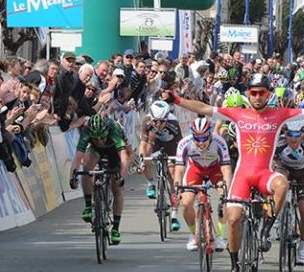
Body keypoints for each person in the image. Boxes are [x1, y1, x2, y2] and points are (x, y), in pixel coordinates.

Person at [162, 73, 304, 272]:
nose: (257, 96)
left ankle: (266, 228)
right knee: (234, 219)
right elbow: (205, 108)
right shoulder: (238, 114)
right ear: (248, 94)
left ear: (268, 94)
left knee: (282, 183)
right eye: (253, 92)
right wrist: (177, 100)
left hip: (265, 173)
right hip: (242, 176)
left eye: (261, 92)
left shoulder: (280, 114)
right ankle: (235, 267)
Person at [70, 114, 131, 245]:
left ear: (106, 131)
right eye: (95, 138)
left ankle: (115, 228)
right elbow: (77, 157)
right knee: (87, 166)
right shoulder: (87, 131)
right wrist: (72, 176)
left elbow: (124, 158)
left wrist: (122, 176)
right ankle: (88, 206)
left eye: (102, 137)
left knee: (117, 187)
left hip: (114, 150)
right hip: (96, 151)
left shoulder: (114, 130)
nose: (99, 140)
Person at [174, 117, 233, 252]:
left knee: (225, 199)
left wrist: (227, 190)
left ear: (210, 134)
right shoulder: (184, 143)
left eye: (204, 138)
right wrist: (177, 187)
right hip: (196, 169)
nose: (200, 143)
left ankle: (219, 236)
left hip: (215, 169)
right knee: (187, 203)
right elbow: (179, 168)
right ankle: (193, 235)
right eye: (197, 138)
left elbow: (226, 169)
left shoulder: (219, 142)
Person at [273, 120, 304, 265]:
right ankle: (276, 217)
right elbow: (271, 164)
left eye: (296, 135)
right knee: (279, 183)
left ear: (302, 134)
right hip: (284, 170)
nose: (293, 139)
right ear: (284, 134)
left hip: (303, 175)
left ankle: (302, 247)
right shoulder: (278, 143)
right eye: (289, 134)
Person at [139, 100, 183, 230]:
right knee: (146, 151)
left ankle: (174, 215)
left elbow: (179, 147)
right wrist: (142, 160)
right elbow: (142, 143)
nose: (158, 124)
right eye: (155, 121)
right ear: (151, 117)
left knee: (173, 177)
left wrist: (177, 162)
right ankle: (150, 183)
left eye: (162, 121)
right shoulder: (146, 121)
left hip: (171, 145)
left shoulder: (173, 123)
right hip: (155, 142)